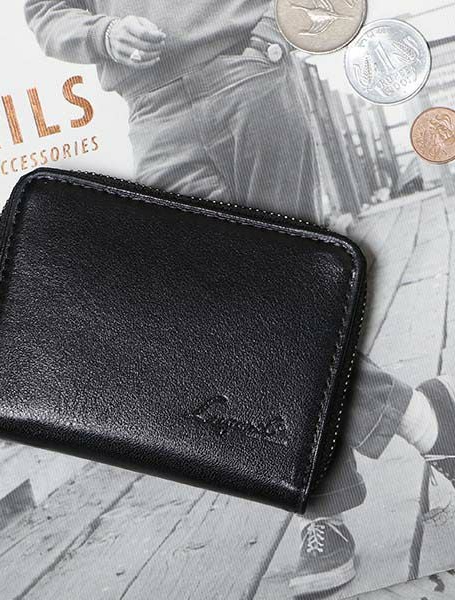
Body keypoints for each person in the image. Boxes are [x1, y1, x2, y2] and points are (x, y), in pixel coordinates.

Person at [25, 2, 455, 595]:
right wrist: (102, 32)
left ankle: (322, 513)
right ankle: (422, 418)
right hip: (156, 112)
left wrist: (276, 26)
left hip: (247, 71)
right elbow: (46, 10)